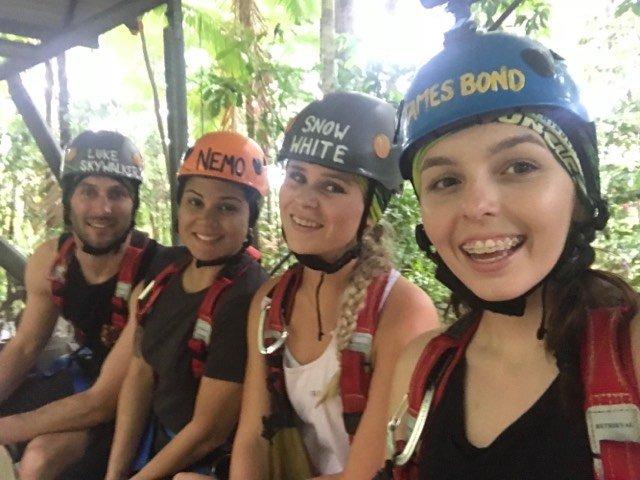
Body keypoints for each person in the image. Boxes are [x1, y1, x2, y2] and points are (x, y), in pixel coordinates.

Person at [383, 5, 639, 480]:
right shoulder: (419, 370)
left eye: (519, 167)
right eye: (445, 181)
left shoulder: (632, 357)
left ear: (579, 195)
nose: (477, 206)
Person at [229, 91, 439, 480]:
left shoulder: (402, 312)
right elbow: (252, 439)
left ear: (372, 208)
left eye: (333, 187)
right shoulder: (270, 303)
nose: (305, 200)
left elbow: (366, 472)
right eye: (297, 177)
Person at [104, 131, 269, 480]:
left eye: (227, 207)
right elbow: (139, 373)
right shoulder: (168, 268)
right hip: (160, 444)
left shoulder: (246, 296)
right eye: (195, 202)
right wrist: (115, 474)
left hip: (207, 463)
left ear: (249, 219)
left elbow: (207, 432)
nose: (206, 221)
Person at [0, 130, 160, 480]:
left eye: (116, 194)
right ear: (69, 199)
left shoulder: (151, 274)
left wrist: (10, 428)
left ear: (133, 203)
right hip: (83, 376)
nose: (102, 209)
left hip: (132, 400)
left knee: (39, 458)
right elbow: (25, 346)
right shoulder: (51, 262)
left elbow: (104, 401)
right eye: (88, 192)